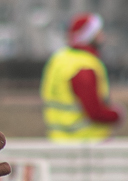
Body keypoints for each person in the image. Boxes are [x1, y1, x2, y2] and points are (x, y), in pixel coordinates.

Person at [41, 12, 123, 142]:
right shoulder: (84, 65)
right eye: (99, 32)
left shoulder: (59, 58)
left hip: (59, 140)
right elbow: (94, 112)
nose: (103, 36)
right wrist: (117, 114)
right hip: (85, 143)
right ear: (89, 36)